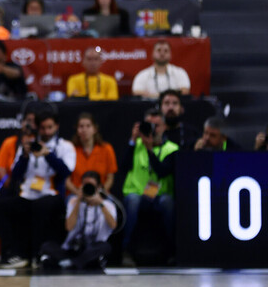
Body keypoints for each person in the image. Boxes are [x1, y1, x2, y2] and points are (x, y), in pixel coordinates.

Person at [0, 111, 75, 268]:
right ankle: (12, 254)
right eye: (43, 128)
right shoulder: (27, 145)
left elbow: (66, 172)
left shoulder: (64, 146)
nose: (47, 131)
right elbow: (15, 175)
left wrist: (48, 154)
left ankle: (37, 254)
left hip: (51, 194)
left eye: (50, 127)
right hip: (27, 195)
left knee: (41, 207)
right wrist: (25, 156)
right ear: (38, 128)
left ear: (57, 126)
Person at [121, 109, 178, 255]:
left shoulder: (172, 148)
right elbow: (123, 167)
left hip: (160, 195)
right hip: (138, 193)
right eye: (149, 125)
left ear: (165, 127)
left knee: (168, 202)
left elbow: (162, 171)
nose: (152, 130)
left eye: (156, 126)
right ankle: (126, 250)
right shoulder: (136, 145)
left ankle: (173, 250)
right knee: (132, 200)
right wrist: (132, 141)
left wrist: (150, 149)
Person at [39, 171, 117, 270]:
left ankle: (72, 263)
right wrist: (78, 201)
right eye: (85, 185)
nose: (88, 188)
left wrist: (101, 204)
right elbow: (69, 227)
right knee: (47, 246)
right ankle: (78, 263)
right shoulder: (73, 201)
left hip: (93, 247)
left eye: (91, 186)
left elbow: (113, 226)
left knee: (105, 247)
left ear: (98, 187)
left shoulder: (108, 205)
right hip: (73, 247)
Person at [65, 113, 117, 198]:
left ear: (95, 129)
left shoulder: (107, 149)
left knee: (112, 205)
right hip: (76, 194)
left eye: (88, 126)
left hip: (100, 193)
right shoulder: (70, 149)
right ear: (77, 129)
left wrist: (101, 192)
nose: (84, 130)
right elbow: (66, 180)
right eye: (81, 126)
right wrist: (78, 193)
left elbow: (110, 178)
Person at [0, 107, 37, 181]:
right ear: (22, 122)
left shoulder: (41, 142)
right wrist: (10, 185)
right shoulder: (10, 142)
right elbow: (0, 168)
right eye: (28, 120)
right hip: (15, 182)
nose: (30, 124)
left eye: (34, 121)